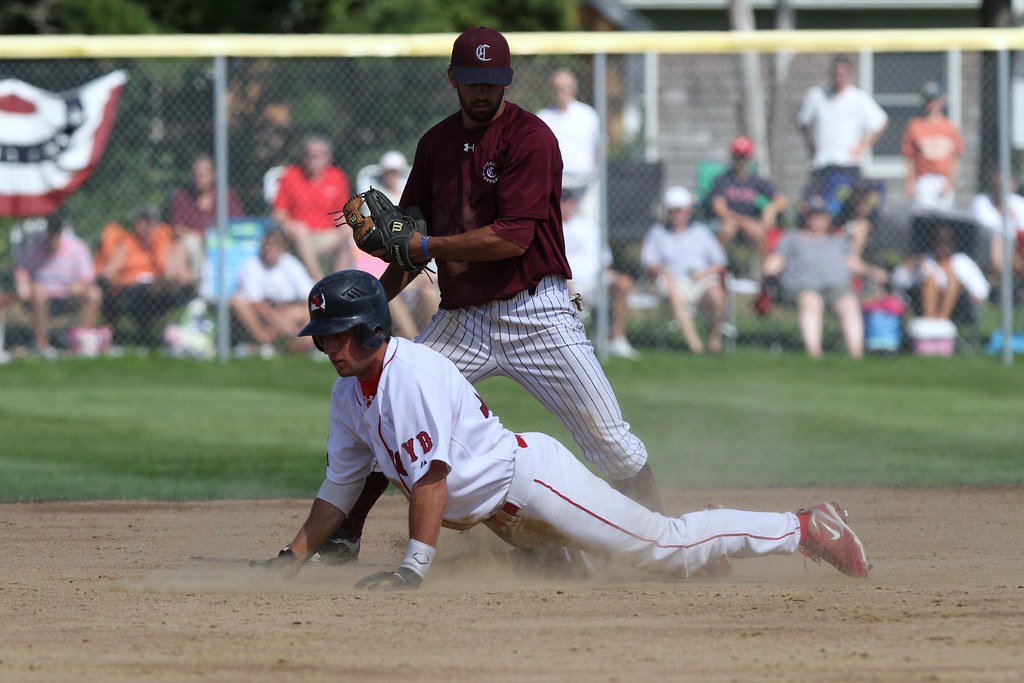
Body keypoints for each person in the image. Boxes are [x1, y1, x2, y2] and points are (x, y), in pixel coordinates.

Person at [250, 270, 871, 588]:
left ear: (368, 330)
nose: (325, 347)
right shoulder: (349, 392)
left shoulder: (406, 377)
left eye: (334, 336)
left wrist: (414, 568)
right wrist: (291, 558)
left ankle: (805, 527)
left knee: (667, 552)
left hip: (536, 484)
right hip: (507, 515)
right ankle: (715, 527)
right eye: (321, 338)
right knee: (587, 576)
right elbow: (339, 488)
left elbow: (431, 481)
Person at [319, 27, 664, 566]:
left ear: (507, 80)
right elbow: (412, 237)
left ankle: (663, 538)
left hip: (538, 312)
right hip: (462, 320)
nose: (484, 91)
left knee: (610, 438)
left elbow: (511, 237)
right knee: (388, 403)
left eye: (494, 81)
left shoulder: (531, 138)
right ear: (454, 78)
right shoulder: (435, 144)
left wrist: (424, 242)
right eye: (474, 80)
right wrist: (374, 304)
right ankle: (344, 535)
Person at [761, 196, 888, 359]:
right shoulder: (792, 238)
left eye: (821, 215)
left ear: (828, 217)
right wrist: (768, 270)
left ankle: (856, 355)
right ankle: (814, 354)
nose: (817, 219)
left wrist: (871, 271)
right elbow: (774, 263)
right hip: (802, 288)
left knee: (849, 303)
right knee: (811, 301)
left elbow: (853, 263)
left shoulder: (838, 240)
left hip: (836, 287)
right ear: (805, 217)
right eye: (813, 215)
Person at [354, 150, 440, 339]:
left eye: (395, 172)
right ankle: (412, 338)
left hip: (416, 262)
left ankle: (427, 339)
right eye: (388, 172)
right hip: (388, 264)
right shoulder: (374, 199)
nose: (392, 176)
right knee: (391, 295)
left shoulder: (414, 200)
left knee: (428, 291)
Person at [640, 186, 728, 355]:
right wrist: (664, 272)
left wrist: (704, 273)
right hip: (674, 282)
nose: (676, 215)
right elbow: (648, 263)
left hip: (702, 279)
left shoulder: (701, 232)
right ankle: (695, 346)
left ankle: (714, 340)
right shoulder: (657, 233)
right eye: (673, 211)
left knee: (716, 295)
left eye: (680, 211)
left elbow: (721, 262)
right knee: (674, 293)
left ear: (688, 212)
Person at [796, 55, 889, 215]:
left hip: (847, 166)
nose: (839, 77)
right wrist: (811, 147)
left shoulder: (858, 98)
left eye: (843, 73)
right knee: (809, 207)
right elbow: (803, 122)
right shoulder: (817, 96)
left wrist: (862, 146)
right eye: (836, 73)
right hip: (822, 165)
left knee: (846, 209)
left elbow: (881, 122)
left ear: (849, 74)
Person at [94, 205, 194, 347]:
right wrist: (129, 281)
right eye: (144, 221)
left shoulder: (165, 242)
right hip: (130, 290)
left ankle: (178, 334)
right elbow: (107, 275)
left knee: (169, 284)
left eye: (152, 222)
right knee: (151, 288)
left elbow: (184, 276)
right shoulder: (127, 245)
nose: (148, 226)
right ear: (137, 224)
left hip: (160, 290)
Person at [560, 185, 639, 359]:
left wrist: (608, 276)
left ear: (573, 203)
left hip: (595, 281)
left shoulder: (589, 226)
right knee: (566, 284)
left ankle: (616, 339)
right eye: (560, 201)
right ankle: (572, 342)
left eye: (567, 201)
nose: (564, 205)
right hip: (566, 284)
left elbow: (605, 261)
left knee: (623, 283)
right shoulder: (550, 227)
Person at [13, 213, 104, 358]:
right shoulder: (33, 247)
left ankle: (81, 341)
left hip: (69, 296)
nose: (53, 238)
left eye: (56, 233)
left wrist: (79, 285)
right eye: (51, 233)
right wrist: (23, 284)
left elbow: (88, 278)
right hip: (40, 296)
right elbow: (22, 270)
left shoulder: (77, 247)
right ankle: (42, 345)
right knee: (38, 292)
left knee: (94, 294)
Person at [271, 135, 352, 281]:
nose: (312, 159)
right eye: (309, 154)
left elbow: (341, 212)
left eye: (318, 155)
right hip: (297, 238)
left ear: (329, 158)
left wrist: (346, 228)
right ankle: (319, 281)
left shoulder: (337, 176)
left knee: (348, 233)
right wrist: (289, 225)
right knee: (300, 229)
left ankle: (335, 285)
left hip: (327, 236)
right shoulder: (290, 175)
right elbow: (278, 212)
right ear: (303, 156)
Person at [229, 228, 316, 358]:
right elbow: (255, 302)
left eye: (273, 245)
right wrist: (277, 319)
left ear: (282, 248)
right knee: (237, 302)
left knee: (303, 311)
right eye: (266, 245)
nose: (269, 249)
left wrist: (287, 318)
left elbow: (308, 295)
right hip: (261, 314)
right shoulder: (251, 265)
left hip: (286, 310)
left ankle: (268, 347)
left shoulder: (291, 264)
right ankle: (265, 341)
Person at [709, 135, 788, 272]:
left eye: (744, 157)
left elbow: (782, 200)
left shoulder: (756, 181)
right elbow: (719, 208)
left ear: (749, 158)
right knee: (728, 228)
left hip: (751, 224)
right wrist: (744, 221)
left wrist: (771, 208)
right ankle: (715, 267)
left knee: (758, 232)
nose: (741, 161)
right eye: (737, 156)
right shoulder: (722, 180)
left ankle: (764, 272)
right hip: (729, 221)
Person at [536, 68, 601, 225]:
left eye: (564, 88)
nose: (560, 92)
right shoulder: (543, 117)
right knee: (554, 224)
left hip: (585, 181)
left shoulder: (588, 115)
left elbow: (599, 147)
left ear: (573, 90)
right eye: (556, 88)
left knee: (589, 223)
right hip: (556, 182)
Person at [891, 224, 990, 322]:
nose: (943, 245)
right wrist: (911, 264)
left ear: (953, 243)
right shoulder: (926, 260)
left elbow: (980, 288)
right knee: (930, 279)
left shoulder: (961, 261)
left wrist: (976, 295)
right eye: (939, 241)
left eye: (947, 241)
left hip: (958, 304)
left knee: (952, 279)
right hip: (921, 299)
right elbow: (898, 280)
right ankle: (930, 320)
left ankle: (942, 320)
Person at [169, 154, 245, 281]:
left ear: (213, 175)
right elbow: (177, 229)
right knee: (190, 243)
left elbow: (238, 225)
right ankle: (197, 289)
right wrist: (202, 237)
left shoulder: (226, 196)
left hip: (222, 241)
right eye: (196, 175)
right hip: (195, 244)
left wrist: (213, 238)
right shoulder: (182, 197)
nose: (199, 179)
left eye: (203, 175)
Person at [901, 82, 963, 211]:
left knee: (945, 222)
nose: (932, 104)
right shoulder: (915, 126)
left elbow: (955, 158)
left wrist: (950, 182)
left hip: (943, 179)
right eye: (928, 100)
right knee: (924, 219)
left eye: (935, 100)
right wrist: (910, 182)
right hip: (924, 179)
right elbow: (909, 158)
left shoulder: (949, 127)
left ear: (941, 101)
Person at [970, 168, 1024, 280]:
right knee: (997, 240)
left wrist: (1011, 214)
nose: (1001, 189)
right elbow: (986, 229)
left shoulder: (1019, 203)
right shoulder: (980, 201)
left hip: (1016, 248)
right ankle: (1006, 282)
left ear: (1013, 185)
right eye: (998, 185)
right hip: (988, 248)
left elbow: (1021, 230)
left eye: (1005, 185)